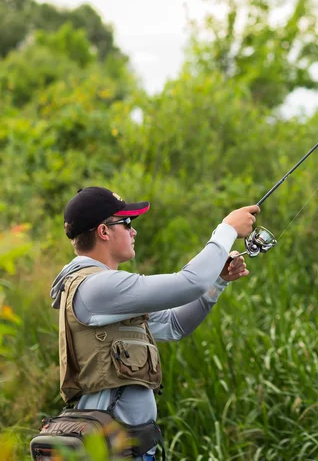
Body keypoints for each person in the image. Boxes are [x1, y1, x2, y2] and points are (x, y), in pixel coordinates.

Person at [51, 186, 260, 460]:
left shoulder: (105, 291)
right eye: (127, 224)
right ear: (103, 232)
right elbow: (191, 282)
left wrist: (218, 281)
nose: (133, 231)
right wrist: (227, 229)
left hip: (130, 450)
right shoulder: (97, 287)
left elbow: (175, 325)